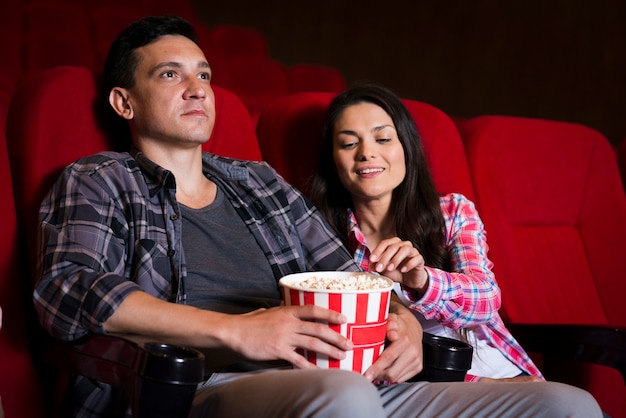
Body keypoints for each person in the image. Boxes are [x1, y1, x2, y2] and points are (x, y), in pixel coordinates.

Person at [33, 15, 602, 417]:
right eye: (170, 74)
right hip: (201, 385)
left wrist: (401, 319)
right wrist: (237, 330)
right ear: (123, 103)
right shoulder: (97, 180)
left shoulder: (258, 182)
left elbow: (351, 273)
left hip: (340, 378)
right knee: (344, 397)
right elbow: (66, 290)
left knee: (566, 403)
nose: (197, 89)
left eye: (204, 74)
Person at [310, 83, 545, 383]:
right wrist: (487, 387)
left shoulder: (452, 211)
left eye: (382, 138)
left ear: (406, 148)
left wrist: (422, 280)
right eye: (348, 144)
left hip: (506, 371)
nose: (367, 153)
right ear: (333, 161)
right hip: (442, 390)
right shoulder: (321, 237)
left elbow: (486, 301)